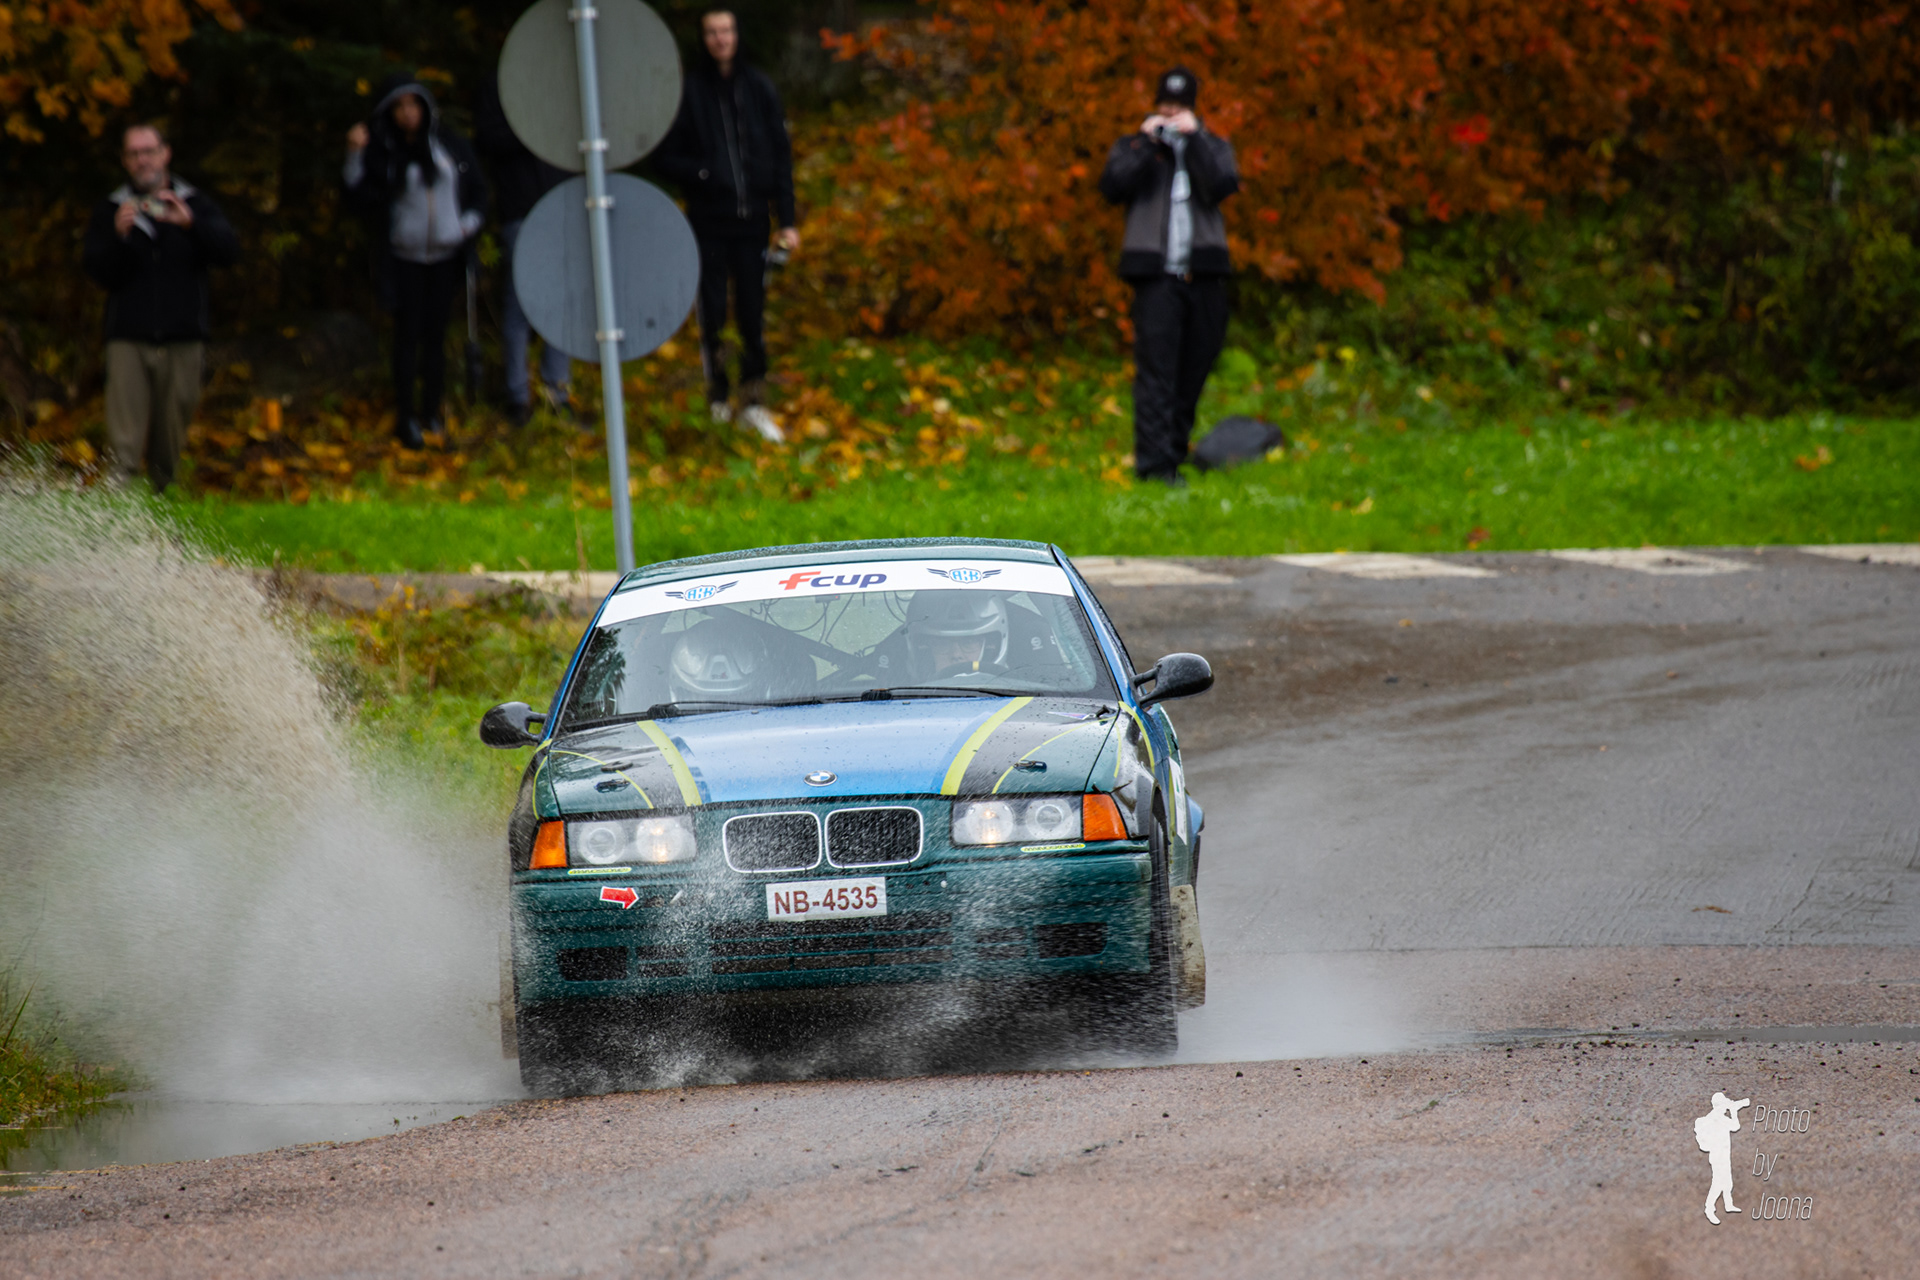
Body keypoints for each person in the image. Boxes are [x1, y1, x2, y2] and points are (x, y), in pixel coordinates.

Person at [654, 8, 799, 443]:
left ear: (737, 35)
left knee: (752, 310)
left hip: (753, 219)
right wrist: (704, 174)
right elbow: (666, 157)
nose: (721, 39)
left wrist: (787, 219)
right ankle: (717, 397)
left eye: (727, 30)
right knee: (713, 309)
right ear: (703, 39)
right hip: (709, 220)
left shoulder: (759, 88)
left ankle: (753, 400)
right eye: (713, 32)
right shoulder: (690, 93)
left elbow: (781, 154)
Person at [1098, 67, 1240, 485]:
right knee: (1156, 373)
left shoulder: (1212, 146)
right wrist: (1147, 143)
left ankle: (1174, 452)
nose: (1172, 113)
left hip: (1204, 276)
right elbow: (1112, 186)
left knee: (1195, 367)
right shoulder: (1135, 146)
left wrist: (1193, 140)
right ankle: (1154, 465)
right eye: (1166, 105)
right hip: (1155, 278)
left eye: (1179, 107)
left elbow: (1221, 184)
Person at [81, 124, 239, 492]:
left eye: (149, 151)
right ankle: (120, 507)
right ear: (125, 160)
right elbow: (98, 272)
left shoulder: (194, 203)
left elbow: (229, 252)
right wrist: (120, 237)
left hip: (183, 337)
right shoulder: (112, 208)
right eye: (134, 154)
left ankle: (163, 503)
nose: (142, 161)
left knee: (170, 440)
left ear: (165, 154)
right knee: (123, 443)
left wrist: (190, 225)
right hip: (128, 337)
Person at [344, 74, 487, 450]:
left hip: (446, 257)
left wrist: (466, 226)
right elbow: (358, 197)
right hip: (405, 259)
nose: (408, 113)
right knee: (407, 337)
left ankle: (432, 412)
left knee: (436, 338)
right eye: (400, 107)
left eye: (414, 104)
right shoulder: (386, 152)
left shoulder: (449, 145)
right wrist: (354, 154)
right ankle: (406, 415)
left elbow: (477, 192)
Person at [474, 75, 572, 426]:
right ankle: (517, 396)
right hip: (520, 212)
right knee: (520, 304)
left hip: (560, 208)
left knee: (561, 305)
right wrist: (529, 127)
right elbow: (487, 140)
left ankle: (557, 394)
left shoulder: (557, 81)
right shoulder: (499, 86)